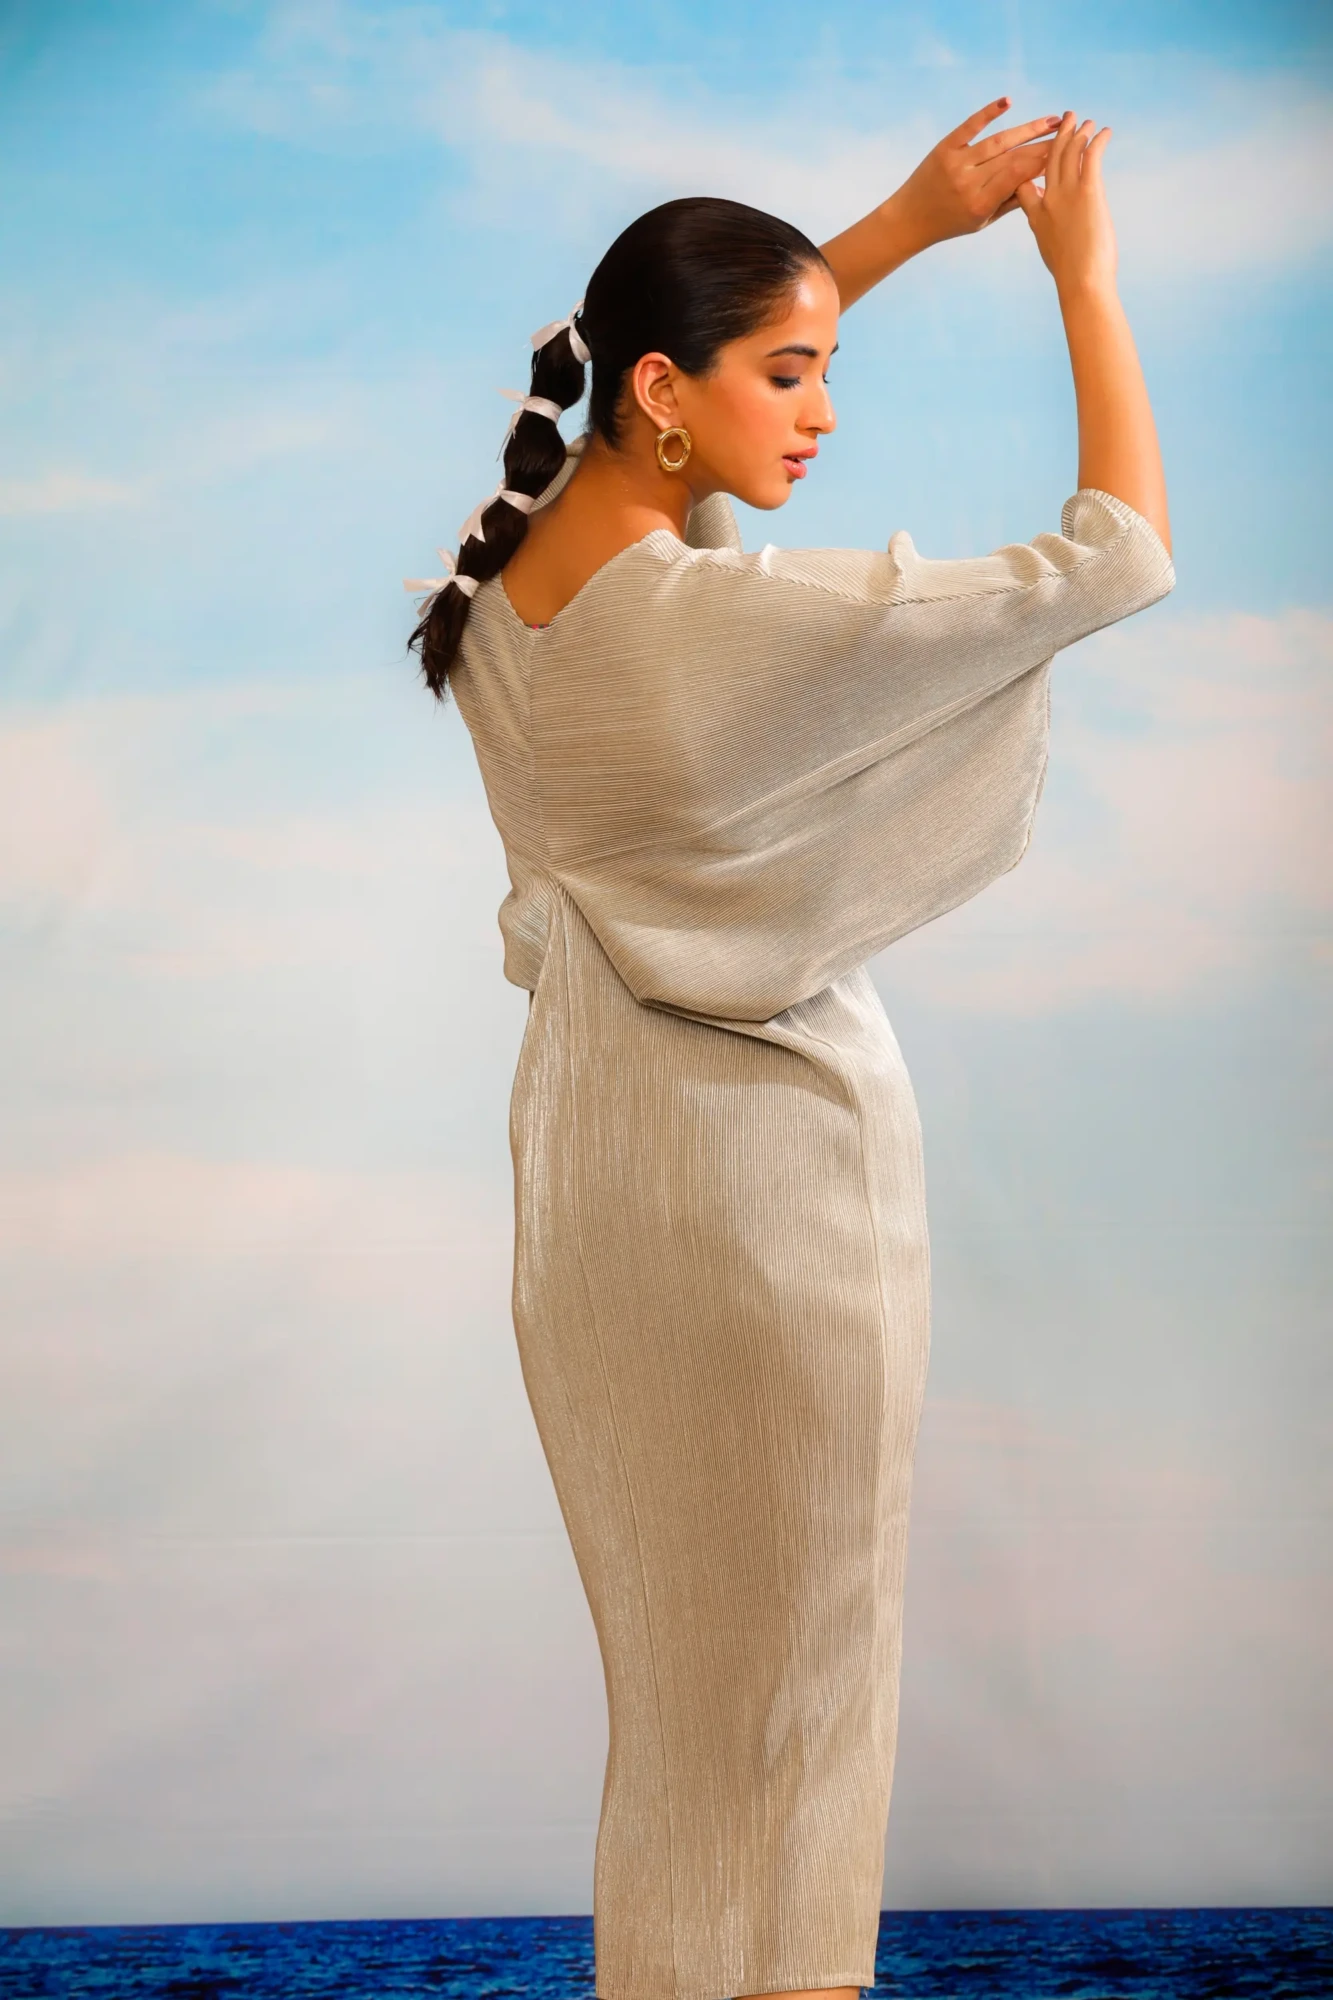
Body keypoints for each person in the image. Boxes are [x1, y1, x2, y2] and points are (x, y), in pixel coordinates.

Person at [405, 100, 1173, 2000]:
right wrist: (1081, 278)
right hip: (775, 1212)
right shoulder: (702, 628)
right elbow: (1117, 556)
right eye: (792, 374)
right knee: (809, 1697)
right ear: (664, 392)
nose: (825, 411)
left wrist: (897, 226)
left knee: (683, 1728)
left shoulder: (508, 594)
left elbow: (675, 393)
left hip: (595, 1212)